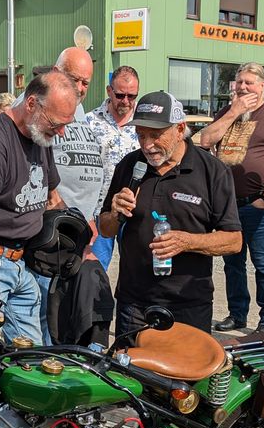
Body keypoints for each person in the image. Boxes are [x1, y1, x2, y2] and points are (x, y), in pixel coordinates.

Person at [99, 91, 241, 334]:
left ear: (180, 129)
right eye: (140, 134)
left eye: (156, 135)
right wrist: (114, 214)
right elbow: (105, 228)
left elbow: (234, 241)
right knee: (128, 372)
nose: (146, 144)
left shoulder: (211, 171)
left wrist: (186, 241)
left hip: (188, 305)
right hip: (134, 304)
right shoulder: (130, 165)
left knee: (185, 373)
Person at [0, 71, 77, 343]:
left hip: (20, 264)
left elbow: (53, 198)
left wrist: (80, 238)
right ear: (31, 104)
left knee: (28, 359)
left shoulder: (39, 135)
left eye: (66, 124)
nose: (61, 132)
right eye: (56, 123)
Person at [200, 62, 264, 339]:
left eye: (249, 82)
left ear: (263, 85)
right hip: (228, 204)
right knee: (232, 263)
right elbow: (205, 140)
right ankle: (237, 313)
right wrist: (235, 111)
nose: (242, 87)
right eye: (239, 82)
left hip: (257, 203)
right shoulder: (227, 112)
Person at [34, 47, 105, 343]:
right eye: (74, 78)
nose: (80, 87)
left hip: (78, 231)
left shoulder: (78, 112)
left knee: (68, 314)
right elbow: (35, 164)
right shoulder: (43, 104)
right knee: (42, 314)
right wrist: (60, 208)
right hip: (51, 235)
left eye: (86, 82)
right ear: (55, 70)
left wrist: (88, 216)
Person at [86, 65, 140, 271]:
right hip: (100, 211)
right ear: (109, 91)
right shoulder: (90, 123)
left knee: (136, 271)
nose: (125, 101)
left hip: (134, 210)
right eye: (120, 95)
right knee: (95, 270)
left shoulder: (144, 123)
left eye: (131, 96)